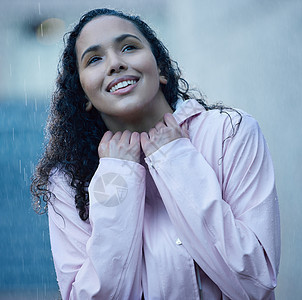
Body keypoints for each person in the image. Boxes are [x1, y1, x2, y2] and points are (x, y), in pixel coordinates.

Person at [31, 8, 281, 300]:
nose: (115, 63)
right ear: (83, 95)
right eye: (95, 59)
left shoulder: (230, 133)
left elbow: (257, 282)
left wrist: (174, 158)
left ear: (160, 69)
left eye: (129, 47)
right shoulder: (67, 179)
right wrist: (118, 177)